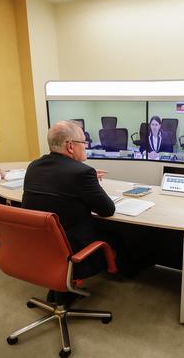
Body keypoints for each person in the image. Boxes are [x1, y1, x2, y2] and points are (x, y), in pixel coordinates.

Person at [22, 120, 114, 305]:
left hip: (38, 246)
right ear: (71, 146)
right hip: (71, 249)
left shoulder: (34, 166)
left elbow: (57, 182)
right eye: (84, 142)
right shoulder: (82, 173)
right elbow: (107, 210)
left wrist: (86, 180)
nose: (86, 146)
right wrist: (89, 181)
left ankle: (59, 287)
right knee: (117, 232)